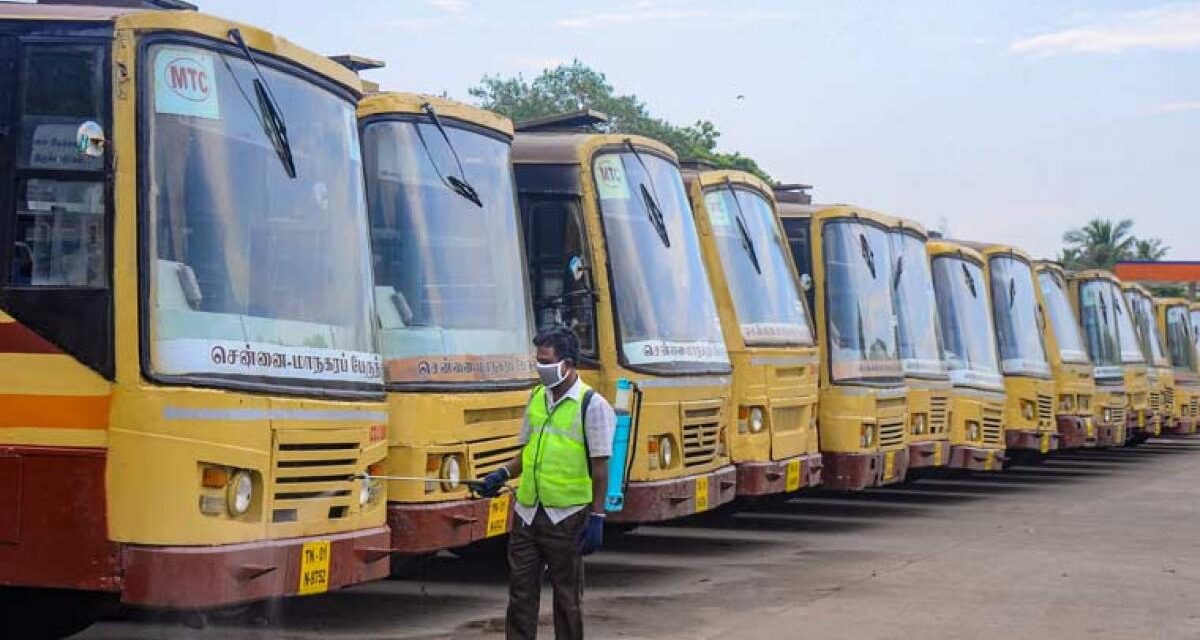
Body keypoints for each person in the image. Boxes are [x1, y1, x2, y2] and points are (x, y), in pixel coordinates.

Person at [477, 325, 615, 640]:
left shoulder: (591, 406)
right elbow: (527, 452)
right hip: (527, 514)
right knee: (520, 595)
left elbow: (601, 467)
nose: (540, 367)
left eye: (546, 360)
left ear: (566, 364)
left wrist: (597, 516)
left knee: (567, 600)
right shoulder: (537, 397)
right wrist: (500, 474)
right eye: (537, 359)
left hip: (567, 518)